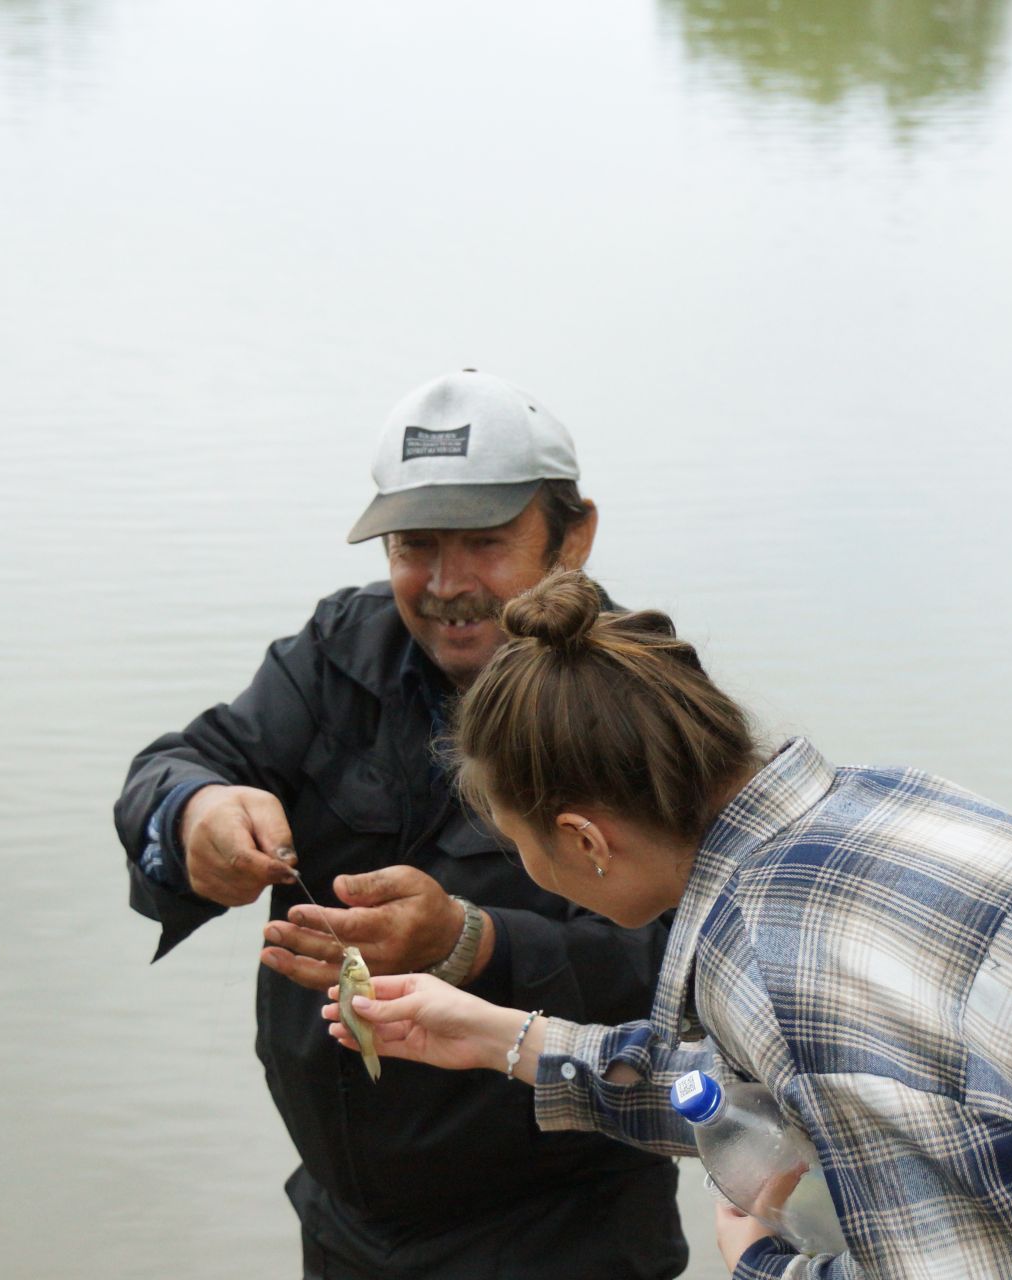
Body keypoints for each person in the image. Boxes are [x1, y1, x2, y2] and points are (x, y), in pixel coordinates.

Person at [322, 570, 1012, 1279]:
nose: (535, 877)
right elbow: (735, 1091)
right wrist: (504, 1037)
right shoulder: (876, 808)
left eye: (523, 846)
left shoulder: (779, 972)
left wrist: (761, 1261)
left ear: (586, 838)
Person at [113, 372, 687, 1278]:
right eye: (416, 545)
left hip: (560, 1236)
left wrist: (474, 943)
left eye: (486, 543)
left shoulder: (641, 703)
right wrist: (196, 816)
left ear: (573, 535)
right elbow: (177, 765)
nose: (447, 584)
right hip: (344, 1228)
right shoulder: (342, 651)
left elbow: (683, 971)